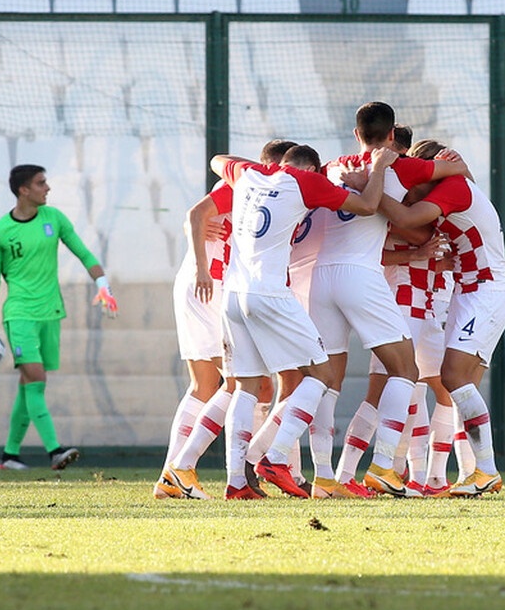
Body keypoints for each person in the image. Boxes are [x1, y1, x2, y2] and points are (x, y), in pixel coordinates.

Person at [166, 145, 389, 500]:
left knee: (246, 387)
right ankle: (274, 457)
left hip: (234, 297)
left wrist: (260, 169)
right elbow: (367, 206)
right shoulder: (304, 182)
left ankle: (227, 478)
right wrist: (378, 168)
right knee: (322, 375)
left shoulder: (247, 175)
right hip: (270, 294)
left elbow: (218, 160)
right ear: (311, 169)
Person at [304, 102, 467, 498]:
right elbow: (452, 179)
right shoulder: (400, 172)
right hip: (388, 293)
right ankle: (410, 474)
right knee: (417, 380)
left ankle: (330, 475)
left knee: (332, 382)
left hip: (324, 279)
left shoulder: (333, 168)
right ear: (393, 139)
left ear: (356, 133)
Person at [155, 140, 294, 500]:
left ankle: (173, 475)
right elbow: (195, 215)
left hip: (206, 285)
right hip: (208, 285)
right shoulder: (245, 183)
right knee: (245, 384)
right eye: (283, 167)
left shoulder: (266, 192)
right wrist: (202, 266)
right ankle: (188, 472)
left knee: (206, 386)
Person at [376, 138, 505, 497]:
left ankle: (485, 471)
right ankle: (478, 472)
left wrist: (368, 193)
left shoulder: (453, 188)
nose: (406, 191)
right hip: (467, 292)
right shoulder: (452, 189)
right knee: (462, 384)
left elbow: (405, 218)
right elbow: (418, 232)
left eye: (410, 182)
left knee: (452, 377)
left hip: (486, 291)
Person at [0, 164, 117, 471]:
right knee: (37, 378)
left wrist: (103, 285)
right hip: (20, 314)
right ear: (24, 190)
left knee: (29, 385)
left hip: (51, 313)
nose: (47, 188)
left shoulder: (55, 219)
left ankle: (9, 456)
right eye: (41, 183)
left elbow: (84, 254)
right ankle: (55, 450)